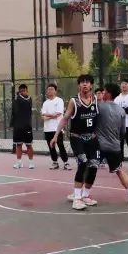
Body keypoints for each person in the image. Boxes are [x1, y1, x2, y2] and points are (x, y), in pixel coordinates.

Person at [52, 75, 99, 208]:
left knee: (94, 165)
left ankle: (85, 195)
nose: (85, 84)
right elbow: (65, 118)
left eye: (87, 82)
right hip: (77, 137)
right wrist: (56, 135)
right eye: (82, 82)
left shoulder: (96, 99)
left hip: (92, 138)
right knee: (83, 163)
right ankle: (77, 198)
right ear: (79, 85)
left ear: (91, 85)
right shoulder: (74, 101)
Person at [97, 84, 128, 205]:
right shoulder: (121, 110)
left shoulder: (99, 107)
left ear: (108, 94)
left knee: (89, 168)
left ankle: (81, 193)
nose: (102, 94)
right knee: (119, 170)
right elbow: (123, 132)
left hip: (100, 145)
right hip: (115, 146)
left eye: (103, 92)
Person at [41, 83, 70, 170]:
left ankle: (66, 163)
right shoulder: (45, 103)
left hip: (57, 128)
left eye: (52, 89)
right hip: (47, 129)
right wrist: (51, 115)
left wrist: (48, 115)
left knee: (61, 145)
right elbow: (43, 116)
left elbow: (58, 113)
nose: (50, 91)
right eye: (48, 89)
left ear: (55, 91)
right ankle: (55, 162)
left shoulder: (59, 100)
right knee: (51, 147)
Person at [11, 83, 35, 170]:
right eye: (21, 91)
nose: (22, 92)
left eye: (24, 90)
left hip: (27, 126)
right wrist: (12, 124)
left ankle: (31, 162)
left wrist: (17, 96)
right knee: (18, 145)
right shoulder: (16, 99)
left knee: (29, 145)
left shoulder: (28, 99)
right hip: (18, 127)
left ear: (27, 91)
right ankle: (19, 162)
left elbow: (24, 102)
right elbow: (14, 111)